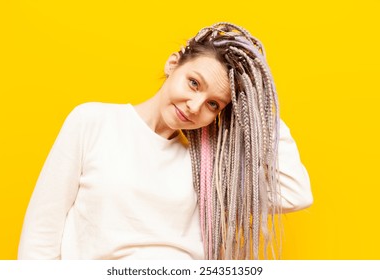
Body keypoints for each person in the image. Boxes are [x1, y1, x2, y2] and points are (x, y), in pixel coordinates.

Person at [18, 22, 313, 260]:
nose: (195, 106)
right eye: (194, 83)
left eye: (214, 104)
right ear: (173, 64)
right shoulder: (93, 122)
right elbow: (40, 236)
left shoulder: (209, 162)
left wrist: (260, 107)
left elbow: (295, 194)